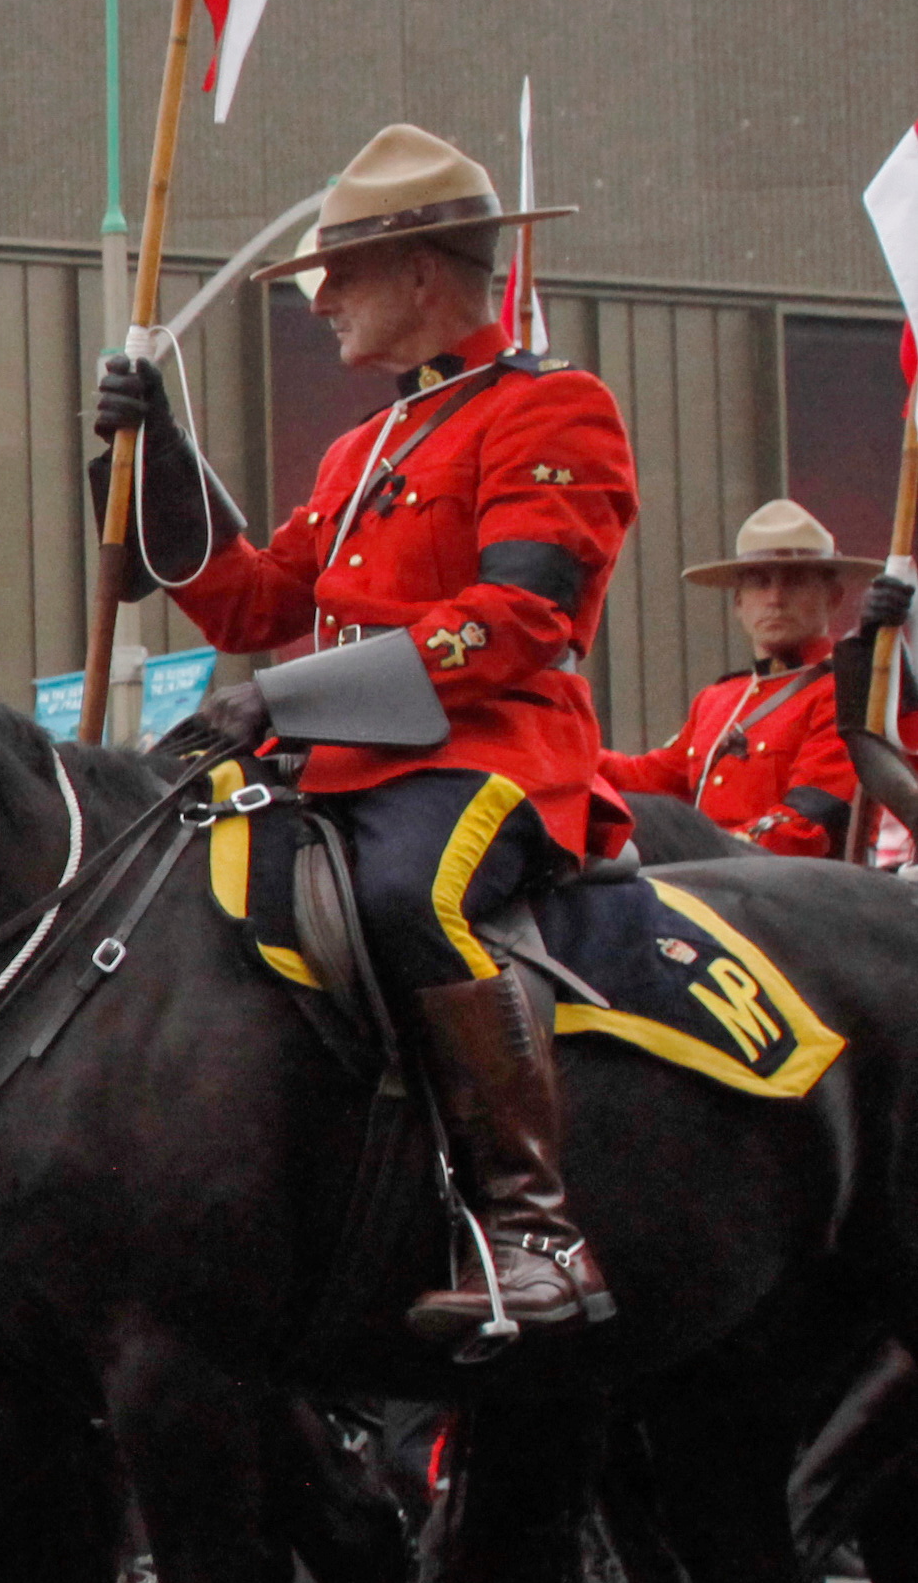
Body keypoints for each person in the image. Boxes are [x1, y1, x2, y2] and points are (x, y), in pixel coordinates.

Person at [96, 123, 635, 1348]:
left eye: (340, 278)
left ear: (425, 277)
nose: (321, 301)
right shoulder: (363, 446)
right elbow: (256, 602)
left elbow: (519, 619)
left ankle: (532, 1232)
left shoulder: (552, 408)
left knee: (408, 896)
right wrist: (160, 457)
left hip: (486, 753)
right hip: (332, 766)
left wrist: (291, 697)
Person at [600, 499, 871, 855]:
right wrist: (556, 745)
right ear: (739, 603)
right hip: (712, 883)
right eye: (760, 583)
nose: (775, 598)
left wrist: (696, 852)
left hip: (798, 891)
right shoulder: (718, 699)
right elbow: (645, 780)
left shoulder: (846, 690)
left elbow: (807, 826)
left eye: (795, 582)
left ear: (834, 598)